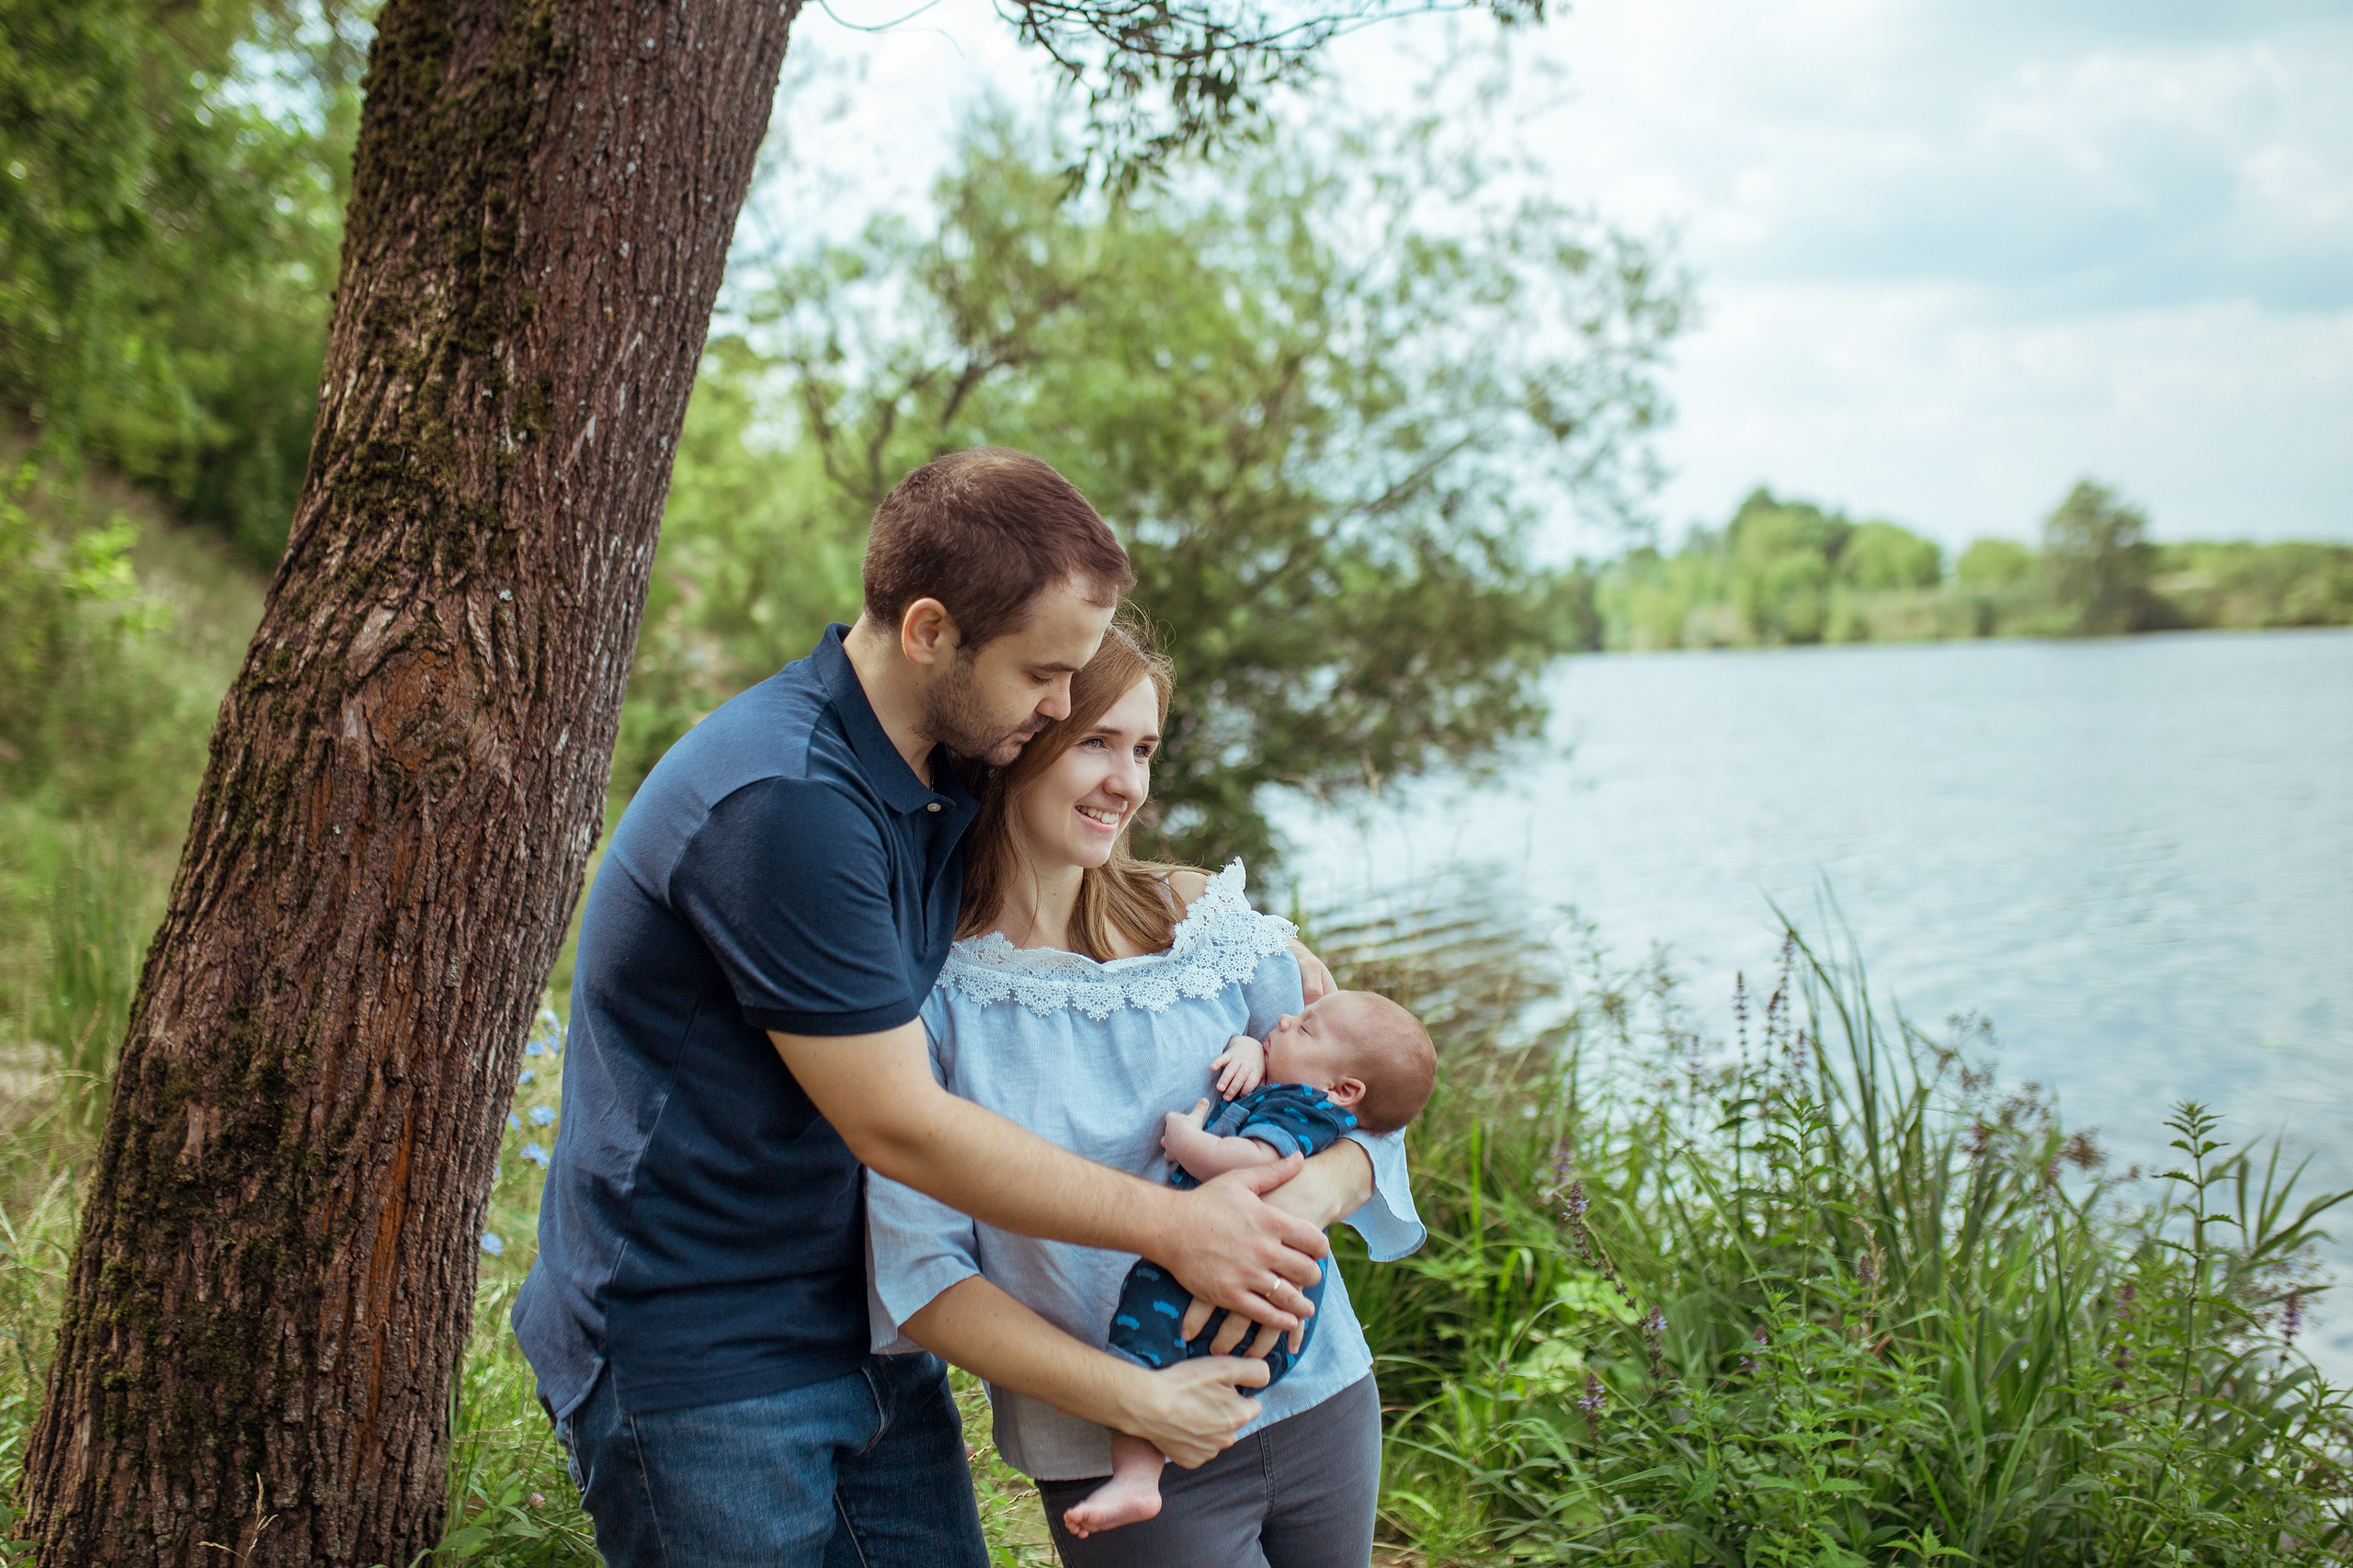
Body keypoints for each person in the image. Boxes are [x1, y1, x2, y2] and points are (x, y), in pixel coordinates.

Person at [513, 449, 1373, 1568]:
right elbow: (900, 1122)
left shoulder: (939, 761)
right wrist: (1177, 1224)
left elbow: (1072, 845)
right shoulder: (788, 803)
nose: (1062, 707)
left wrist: (1229, 922)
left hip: (862, 1330)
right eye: (1042, 676)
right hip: (705, 1348)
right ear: (928, 632)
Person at [867, 621, 1429, 1568]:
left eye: (1144, 748)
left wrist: (1296, 1198)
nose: (1128, 781)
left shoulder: (1209, 927)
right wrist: (1137, 1400)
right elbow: (922, 1280)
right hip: (1124, 1453)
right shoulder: (928, 1003)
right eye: (1097, 741)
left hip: (1320, 1391)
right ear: (1017, 737)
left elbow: (1365, 1115)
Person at [1077, 991, 1438, 1537]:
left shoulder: (1302, 1111)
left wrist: (1187, 1140)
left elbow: (1249, 1162)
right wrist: (1249, 1046)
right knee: (1175, 1366)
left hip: (1234, 1271)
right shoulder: (1300, 1090)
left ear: (1343, 1090)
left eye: (1306, 1029)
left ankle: (1136, 1477)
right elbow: (1260, 1050)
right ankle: (1144, 1465)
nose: (1287, 1018)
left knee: (1145, 1347)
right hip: (1261, 1279)